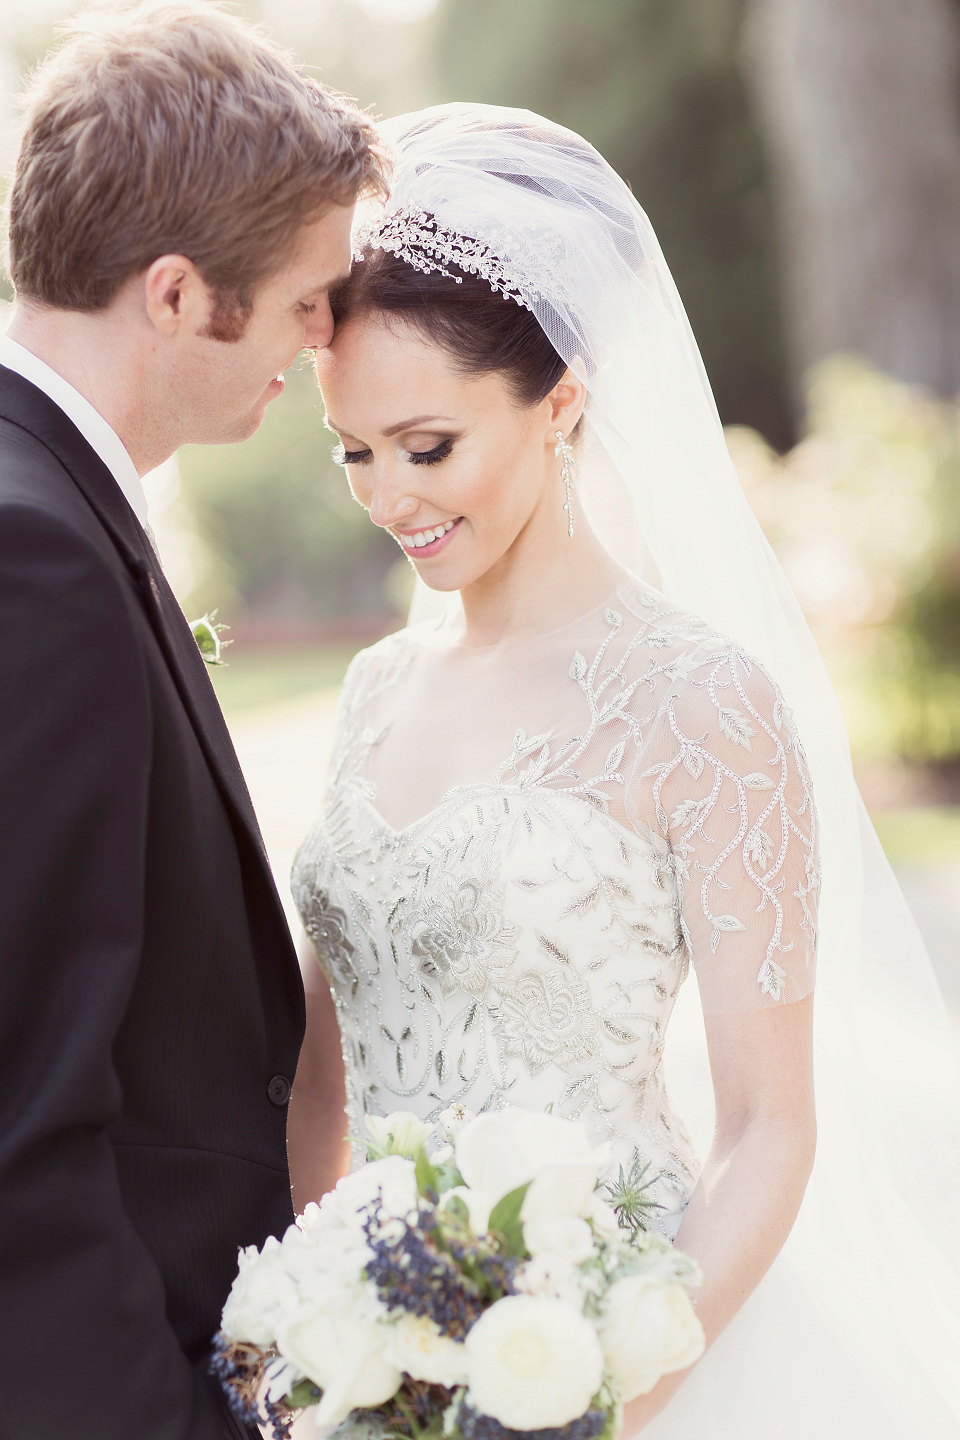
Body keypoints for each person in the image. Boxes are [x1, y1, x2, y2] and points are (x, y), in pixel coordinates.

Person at [289, 105, 960, 1436]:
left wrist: (590, 1398)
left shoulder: (701, 706)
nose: (391, 495)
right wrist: (322, 1340)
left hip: (630, 1364)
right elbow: (323, 1077)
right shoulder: (374, 692)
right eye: (353, 451)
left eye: (429, 446)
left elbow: (770, 1125)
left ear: (564, 406)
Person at [0, 5, 386, 1436]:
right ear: (174, 296)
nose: (323, 336)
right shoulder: (33, 557)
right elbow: (21, 1113)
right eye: (302, 298)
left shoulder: (54, 512)